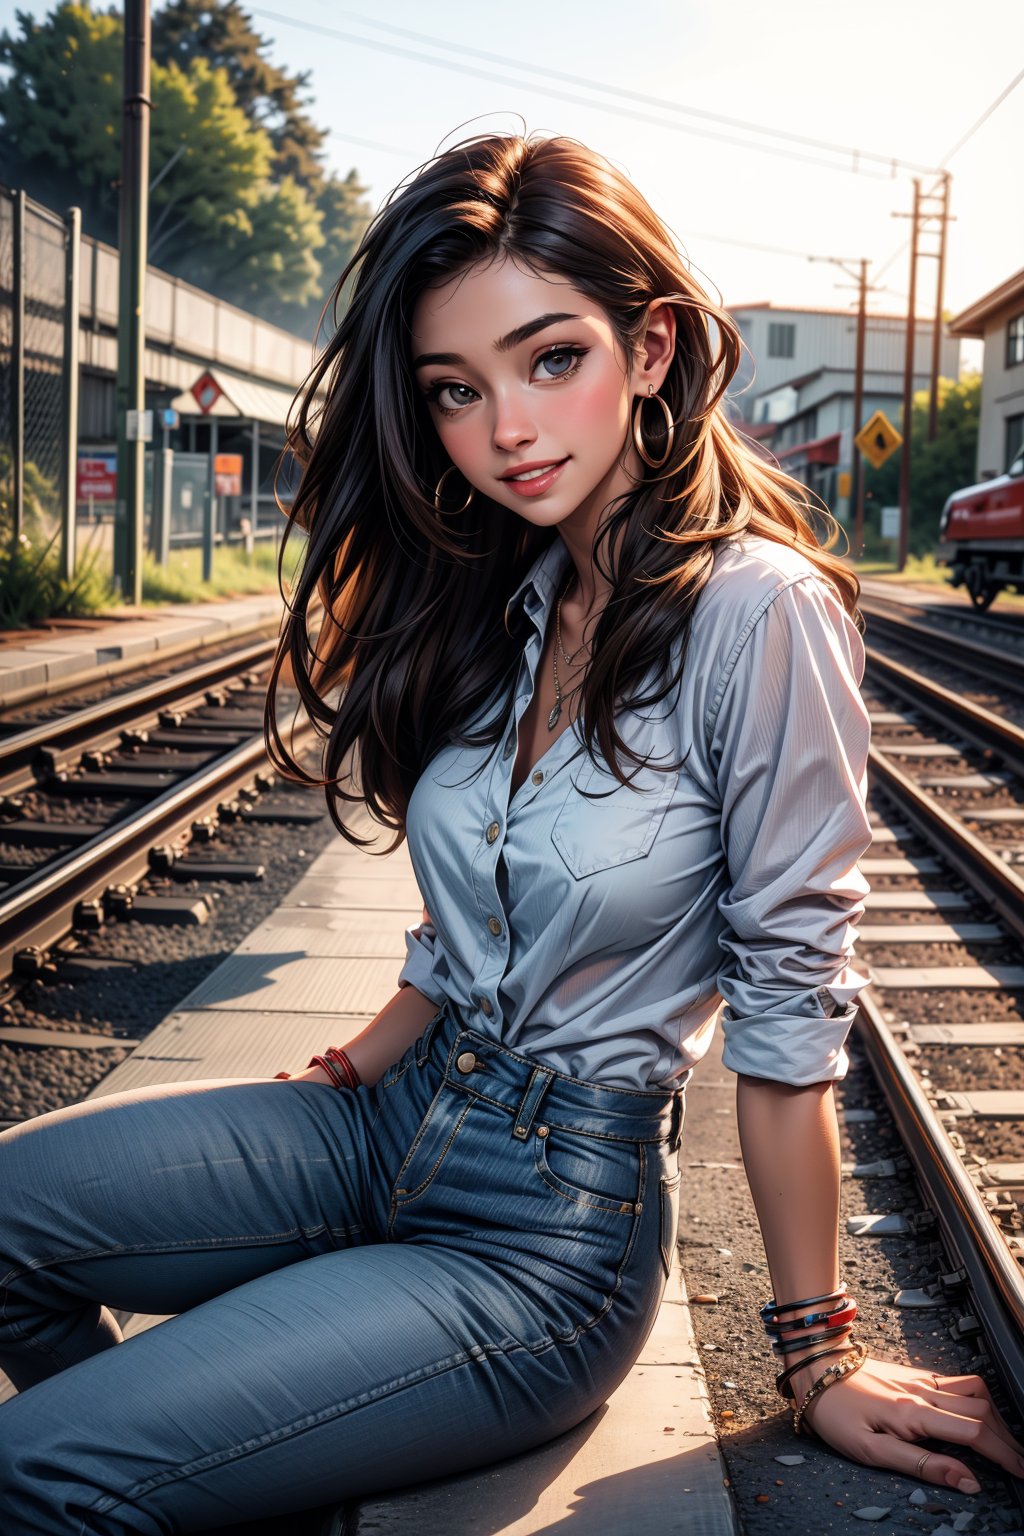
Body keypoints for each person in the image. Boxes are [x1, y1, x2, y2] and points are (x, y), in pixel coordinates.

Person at [2, 128, 1023, 1534]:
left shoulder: (759, 613)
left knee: (38, 1472)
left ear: (652, 347)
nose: (509, 431)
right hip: (390, 1120)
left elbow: (795, 1006)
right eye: (454, 391)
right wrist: (376, 1046)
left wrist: (816, 1351)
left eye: (554, 359)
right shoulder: (506, 589)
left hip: (546, 1237)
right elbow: (481, 897)